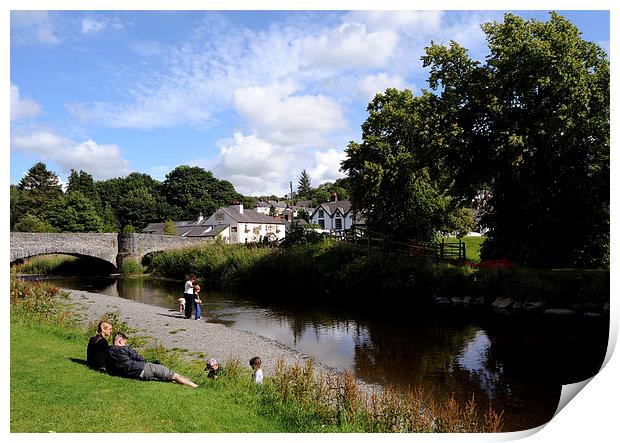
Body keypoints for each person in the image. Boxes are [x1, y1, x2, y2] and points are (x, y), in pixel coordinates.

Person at [106, 333, 198, 388]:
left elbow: (109, 368)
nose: (125, 344)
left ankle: (183, 383)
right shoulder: (125, 348)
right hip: (140, 370)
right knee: (172, 374)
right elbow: (139, 358)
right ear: (120, 341)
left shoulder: (108, 351)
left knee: (165, 375)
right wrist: (146, 362)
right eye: (125, 342)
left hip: (130, 373)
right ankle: (195, 386)